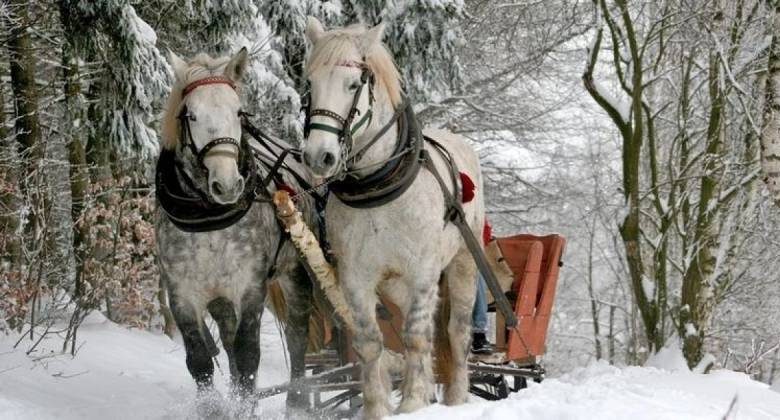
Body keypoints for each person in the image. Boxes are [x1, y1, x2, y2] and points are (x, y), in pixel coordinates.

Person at [471, 220, 494, 355]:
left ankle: (478, 333)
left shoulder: (475, 208)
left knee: (475, 273)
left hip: (464, 254)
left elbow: (485, 232)